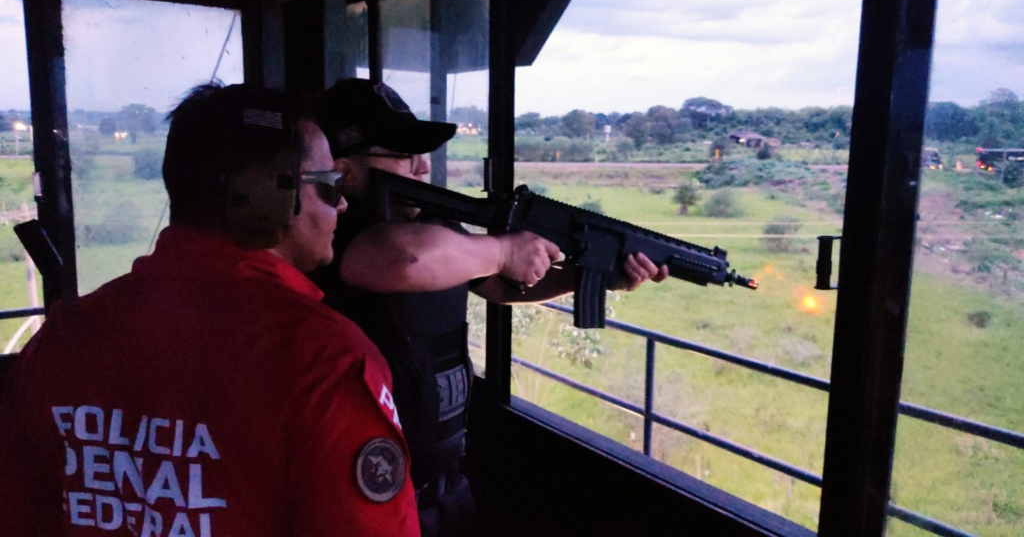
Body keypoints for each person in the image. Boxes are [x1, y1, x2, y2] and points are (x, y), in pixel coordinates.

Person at [0, 83, 419, 536]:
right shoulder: (325, 361)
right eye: (329, 184)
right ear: (265, 194)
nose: (340, 203)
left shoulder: (59, 340)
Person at [311, 79, 668, 537]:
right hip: (367, 485)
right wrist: (501, 249)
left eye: (423, 153)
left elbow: (499, 287)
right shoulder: (336, 235)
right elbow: (407, 259)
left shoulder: (435, 222)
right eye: (402, 154)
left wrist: (589, 276)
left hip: (445, 473)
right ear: (346, 171)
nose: (423, 167)